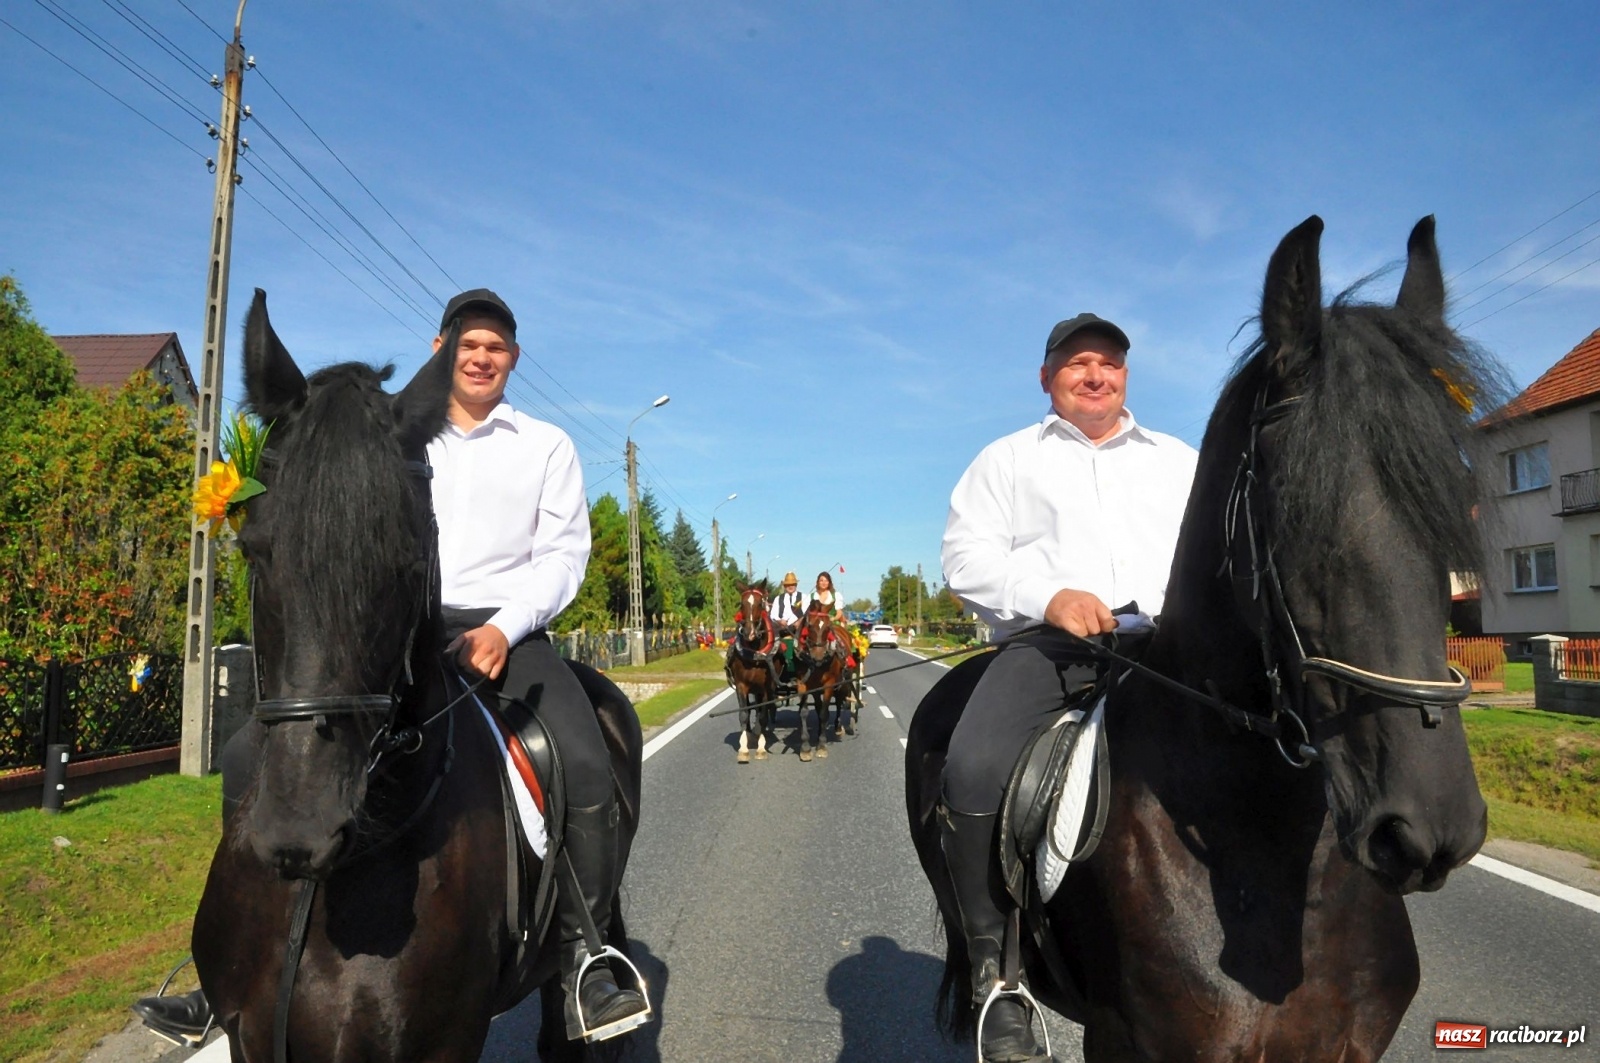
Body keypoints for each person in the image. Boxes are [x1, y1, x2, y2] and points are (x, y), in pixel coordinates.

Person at [133, 289, 648, 1045]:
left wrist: (504, 628)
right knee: (247, 752)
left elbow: (564, 557)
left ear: (513, 358)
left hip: (508, 631)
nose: (481, 357)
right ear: (441, 351)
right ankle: (230, 964)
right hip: (400, 627)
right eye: (468, 343)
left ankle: (585, 955)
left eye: (496, 347)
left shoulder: (545, 446)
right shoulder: (396, 432)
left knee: (582, 752)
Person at [938, 313, 1197, 1063]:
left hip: (1173, 651)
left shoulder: (1180, 460)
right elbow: (964, 556)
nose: (1096, 375)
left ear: (1126, 377)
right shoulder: (1007, 459)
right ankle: (997, 978)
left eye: (1110, 363)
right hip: (1055, 650)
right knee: (972, 765)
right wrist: (1048, 597)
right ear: (1048, 377)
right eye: (1079, 362)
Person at [768, 571, 807, 676]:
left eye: (792, 584)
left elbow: (807, 613)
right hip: (783, 630)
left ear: (796, 585)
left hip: (800, 630)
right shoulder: (778, 599)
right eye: (788, 584)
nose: (790, 586)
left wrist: (800, 621)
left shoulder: (803, 597)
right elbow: (773, 615)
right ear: (785, 586)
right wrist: (780, 621)